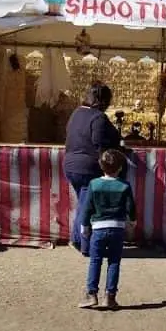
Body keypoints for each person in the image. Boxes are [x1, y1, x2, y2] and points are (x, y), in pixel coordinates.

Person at [64, 82, 121, 252]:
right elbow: (99, 144)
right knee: (87, 206)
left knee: (83, 203)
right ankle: (86, 245)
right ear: (102, 101)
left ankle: (76, 239)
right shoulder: (98, 117)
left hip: (69, 164)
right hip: (87, 167)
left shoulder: (76, 113)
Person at [78, 150, 136, 309]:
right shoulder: (124, 185)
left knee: (95, 261)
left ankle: (91, 294)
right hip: (117, 228)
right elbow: (131, 207)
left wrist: (84, 227)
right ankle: (110, 297)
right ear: (119, 168)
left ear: (101, 166)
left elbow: (87, 208)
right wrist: (133, 222)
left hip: (98, 229)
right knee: (114, 262)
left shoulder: (94, 184)